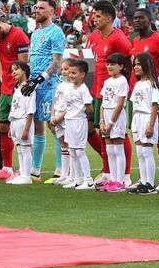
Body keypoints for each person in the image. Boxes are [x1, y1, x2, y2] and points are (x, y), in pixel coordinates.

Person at [85, 0, 132, 184]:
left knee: (119, 134)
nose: (94, 19)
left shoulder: (119, 38)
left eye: (98, 16)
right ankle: (108, 171)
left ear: (109, 19)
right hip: (98, 90)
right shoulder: (94, 36)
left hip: (115, 94)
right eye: (93, 15)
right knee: (100, 131)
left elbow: (128, 64)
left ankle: (125, 175)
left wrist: (124, 89)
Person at [130, 7, 159, 191]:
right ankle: (144, 180)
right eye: (135, 18)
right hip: (138, 95)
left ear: (149, 20)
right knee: (141, 143)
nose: (136, 21)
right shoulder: (135, 40)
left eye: (141, 18)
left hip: (150, 97)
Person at [0, 15, 29, 181]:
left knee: (19, 129)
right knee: (3, 127)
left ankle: (25, 170)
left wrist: (20, 88)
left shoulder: (19, 36)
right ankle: (7, 168)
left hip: (18, 90)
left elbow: (24, 66)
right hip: (4, 89)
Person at [28, 0, 66, 180]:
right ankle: (35, 168)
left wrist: (41, 78)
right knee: (37, 126)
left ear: (52, 11)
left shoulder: (56, 32)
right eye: (36, 7)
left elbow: (57, 62)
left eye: (41, 8)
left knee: (54, 125)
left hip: (49, 85)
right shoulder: (35, 33)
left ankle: (61, 168)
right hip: (34, 85)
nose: (37, 10)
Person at [53, 58, 94, 190]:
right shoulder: (70, 88)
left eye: (74, 73)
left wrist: (81, 113)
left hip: (78, 122)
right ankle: (77, 179)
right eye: (70, 73)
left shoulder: (83, 89)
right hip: (69, 121)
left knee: (80, 151)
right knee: (72, 150)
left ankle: (88, 180)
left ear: (82, 74)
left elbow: (89, 108)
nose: (70, 75)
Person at [128, 53, 159, 194]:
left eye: (139, 64)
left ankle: (150, 184)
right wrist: (132, 124)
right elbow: (134, 105)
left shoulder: (151, 84)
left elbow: (154, 105)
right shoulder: (137, 84)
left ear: (146, 66)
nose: (136, 67)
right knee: (140, 152)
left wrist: (151, 125)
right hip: (137, 118)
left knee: (147, 151)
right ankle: (143, 181)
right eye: (134, 64)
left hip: (147, 118)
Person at [97, 53, 130, 192]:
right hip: (107, 117)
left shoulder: (122, 81)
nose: (109, 66)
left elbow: (120, 104)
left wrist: (110, 123)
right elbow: (103, 103)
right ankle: (112, 179)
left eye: (112, 64)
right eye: (108, 64)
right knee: (109, 150)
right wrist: (102, 122)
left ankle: (120, 181)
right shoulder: (107, 82)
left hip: (117, 118)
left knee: (118, 148)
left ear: (121, 66)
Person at [5, 61, 37, 185]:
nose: (13, 72)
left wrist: (26, 129)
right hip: (15, 121)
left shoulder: (29, 88)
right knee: (19, 149)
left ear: (24, 71)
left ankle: (27, 176)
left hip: (23, 121)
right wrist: (11, 126)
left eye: (16, 69)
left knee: (25, 148)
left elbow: (30, 110)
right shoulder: (16, 88)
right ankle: (22, 173)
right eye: (12, 70)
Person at [48, 59, 76, 186]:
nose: (64, 72)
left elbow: (70, 105)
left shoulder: (73, 86)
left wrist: (60, 117)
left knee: (71, 147)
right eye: (62, 69)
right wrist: (53, 115)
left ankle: (73, 175)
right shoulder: (60, 85)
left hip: (66, 119)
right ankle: (64, 175)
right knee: (63, 146)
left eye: (66, 69)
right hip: (57, 119)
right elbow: (55, 101)